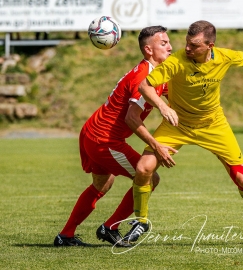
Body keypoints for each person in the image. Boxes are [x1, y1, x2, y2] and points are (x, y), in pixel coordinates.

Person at [122, 20, 243, 246]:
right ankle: (140, 221)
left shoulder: (223, 57)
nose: (187, 49)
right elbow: (145, 86)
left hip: (213, 125)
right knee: (144, 168)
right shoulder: (177, 61)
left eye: (194, 45)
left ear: (210, 45)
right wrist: (164, 107)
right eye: (187, 43)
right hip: (178, 125)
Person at [53, 25, 176, 247]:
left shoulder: (154, 73)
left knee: (101, 185)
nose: (170, 47)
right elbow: (131, 118)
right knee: (149, 177)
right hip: (104, 139)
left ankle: (66, 236)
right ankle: (110, 227)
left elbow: (171, 93)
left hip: (93, 131)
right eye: (164, 43)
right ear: (148, 49)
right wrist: (157, 146)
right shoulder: (143, 77)